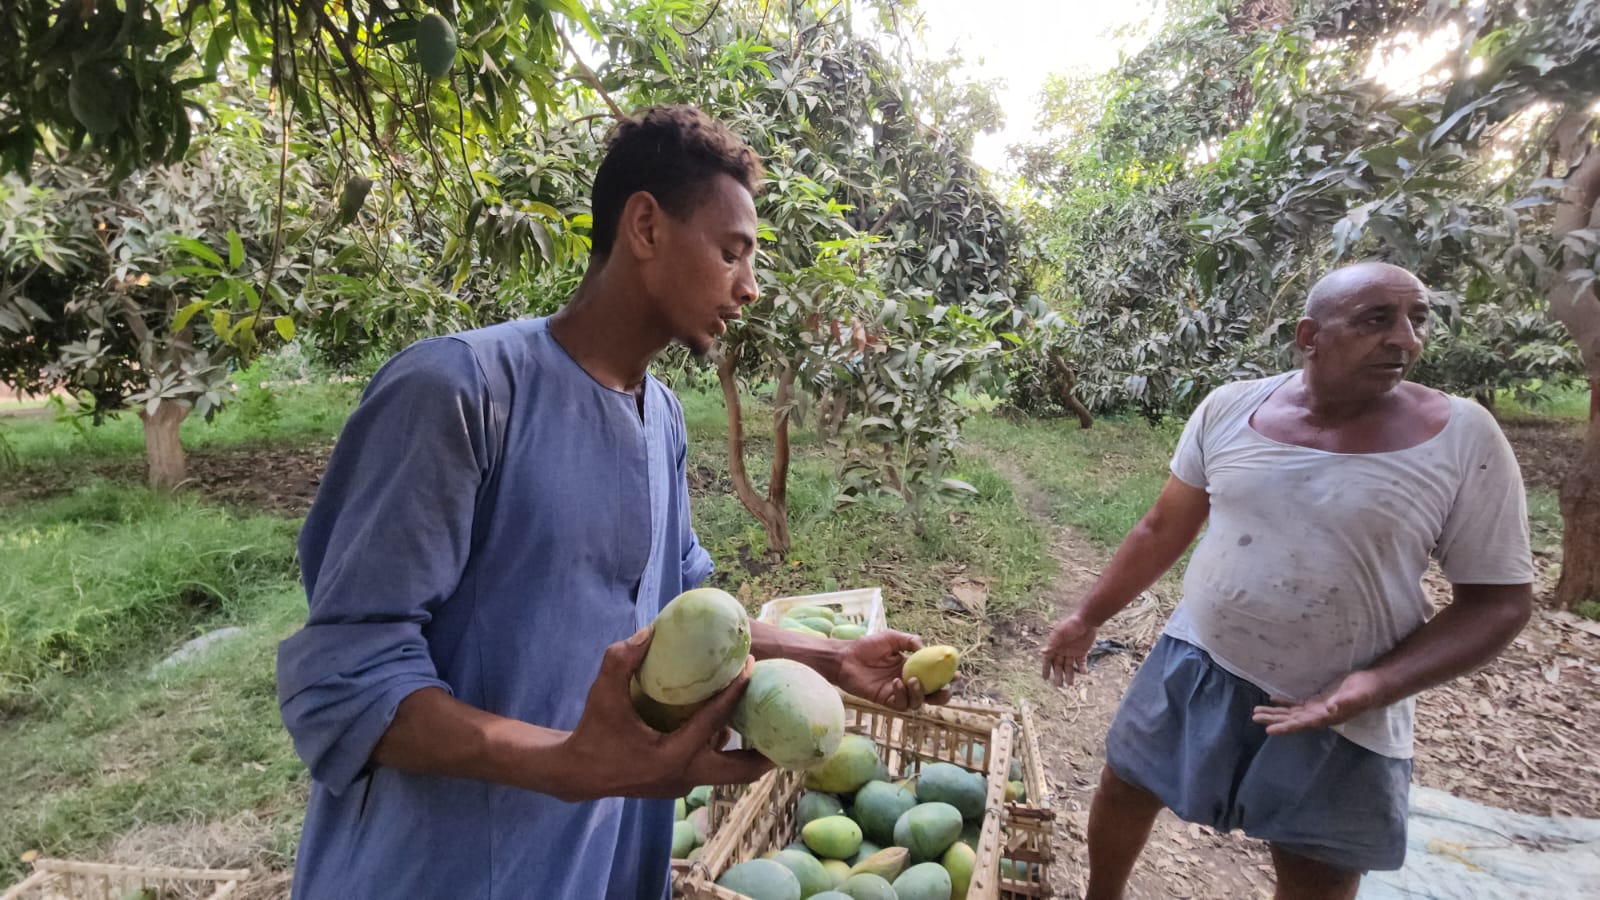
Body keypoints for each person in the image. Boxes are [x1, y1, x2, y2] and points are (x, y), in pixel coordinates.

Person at [276, 105, 945, 900]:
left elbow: (682, 614)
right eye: (733, 252)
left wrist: (829, 658)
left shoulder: (658, 416)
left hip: (600, 861)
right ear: (645, 226)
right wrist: (565, 764)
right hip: (444, 865)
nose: (752, 287)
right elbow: (350, 679)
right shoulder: (458, 393)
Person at [1041, 261, 1535, 900]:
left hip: (1343, 701)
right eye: (1376, 320)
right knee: (1127, 786)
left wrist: (1367, 687)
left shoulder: (1463, 438)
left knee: (1318, 867)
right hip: (1198, 656)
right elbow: (1162, 528)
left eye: (1417, 320)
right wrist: (1087, 618)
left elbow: (1498, 604)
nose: (1406, 339)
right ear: (1310, 337)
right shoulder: (1231, 408)